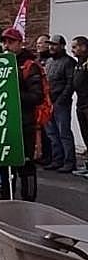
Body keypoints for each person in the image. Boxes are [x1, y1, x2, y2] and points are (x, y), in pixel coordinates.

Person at [0, 27, 45, 201]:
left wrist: (14, 95)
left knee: (26, 164)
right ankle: (5, 197)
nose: (6, 46)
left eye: (11, 42)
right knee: (4, 162)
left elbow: (37, 96)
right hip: (5, 122)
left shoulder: (29, 66)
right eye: (4, 42)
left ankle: (28, 200)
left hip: (24, 123)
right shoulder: (0, 63)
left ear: (19, 43)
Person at [42, 35, 78, 173]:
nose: (51, 47)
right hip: (48, 102)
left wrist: (61, 99)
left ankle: (69, 162)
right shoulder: (49, 61)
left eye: (55, 45)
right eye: (50, 44)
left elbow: (70, 83)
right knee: (52, 134)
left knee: (64, 133)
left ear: (62, 46)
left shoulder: (69, 62)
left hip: (61, 103)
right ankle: (57, 160)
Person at [72, 36, 88, 175]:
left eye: (75, 47)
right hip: (80, 104)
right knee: (85, 135)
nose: (72, 50)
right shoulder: (78, 63)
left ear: (83, 47)